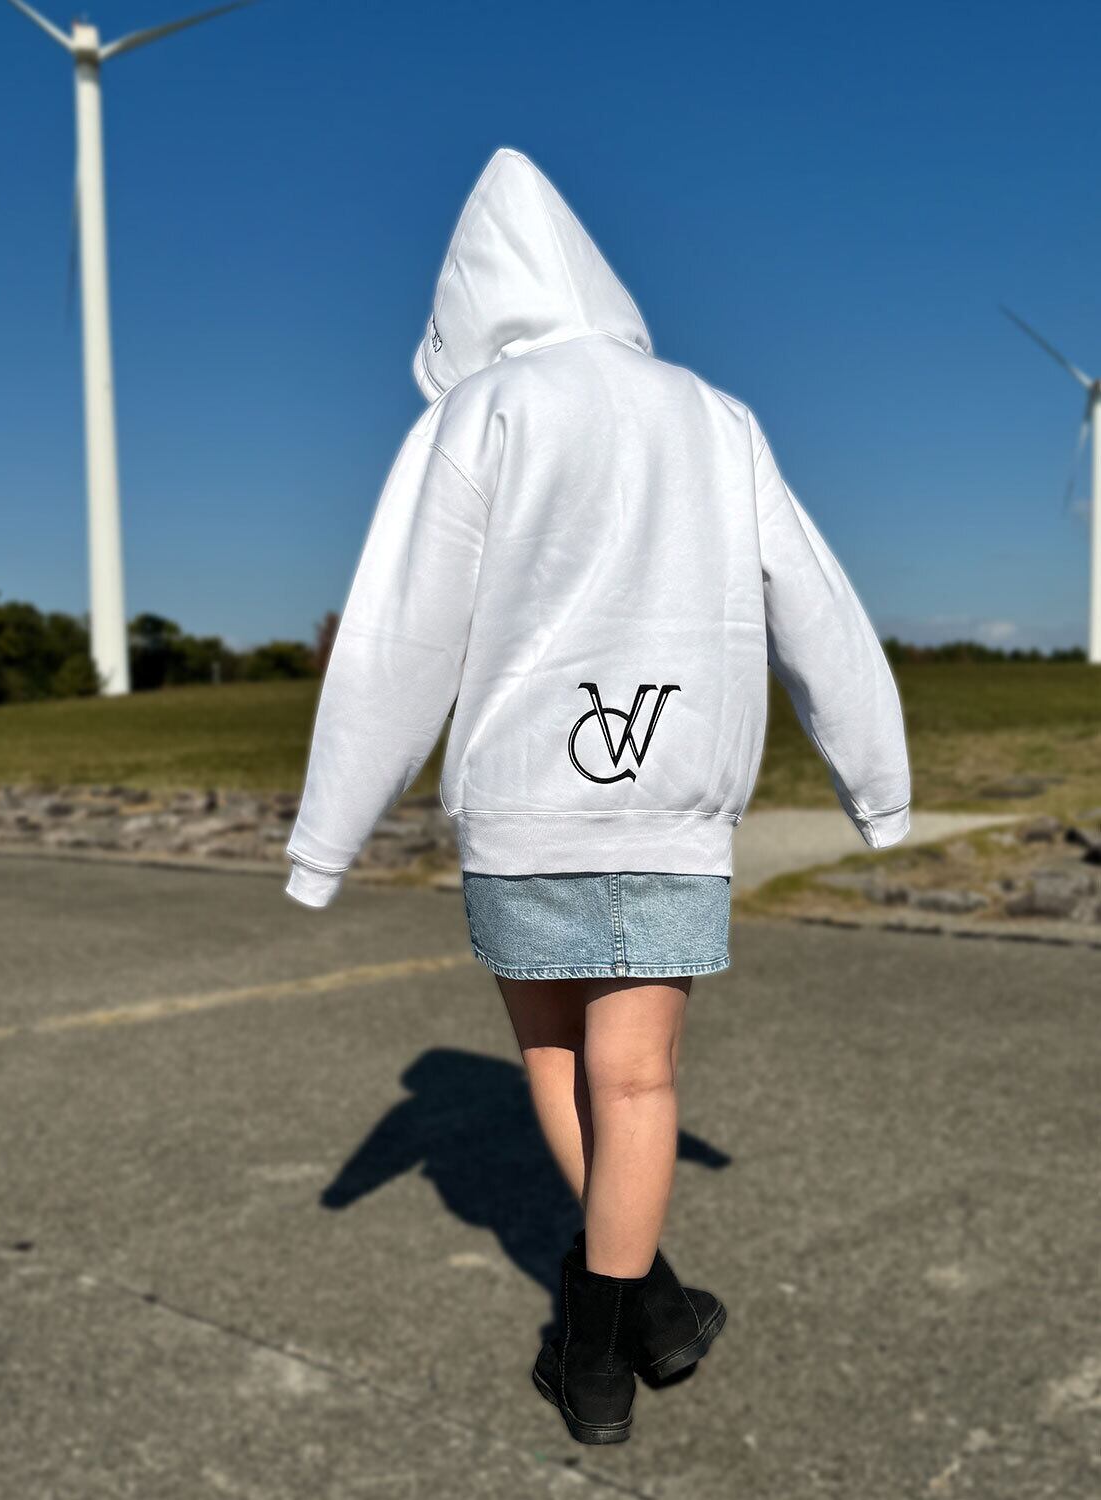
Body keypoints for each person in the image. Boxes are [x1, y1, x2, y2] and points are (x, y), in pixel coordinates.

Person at [284, 147, 912, 1445]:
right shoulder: (713, 415)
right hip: (668, 802)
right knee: (637, 1083)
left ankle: (610, 1334)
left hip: (520, 803)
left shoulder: (478, 414)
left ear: (470, 294)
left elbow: (401, 633)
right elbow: (814, 602)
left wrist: (325, 837)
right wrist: (877, 784)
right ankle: (623, 1339)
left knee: (556, 1062)